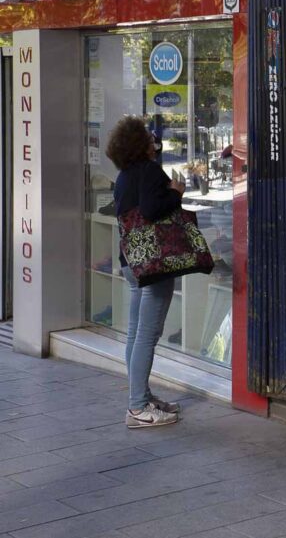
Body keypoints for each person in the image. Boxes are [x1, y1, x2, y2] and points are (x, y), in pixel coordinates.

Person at [106, 116, 187, 428]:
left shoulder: (126, 175)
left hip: (132, 262)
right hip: (154, 264)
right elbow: (154, 209)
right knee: (146, 336)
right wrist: (177, 191)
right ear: (141, 144)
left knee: (135, 332)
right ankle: (138, 407)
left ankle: (141, 396)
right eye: (148, 136)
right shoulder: (150, 171)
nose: (154, 138)